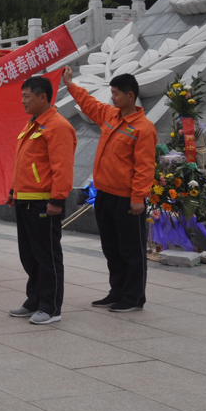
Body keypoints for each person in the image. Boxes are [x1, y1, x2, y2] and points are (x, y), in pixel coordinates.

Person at [63, 69, 155, 311]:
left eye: (115, 93)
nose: (112, 97)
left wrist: (138, 197)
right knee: (111, 248)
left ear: (130, 95)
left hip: (127, 200)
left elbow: (145, 167)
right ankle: (117, 291)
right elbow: (88, 103)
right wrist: (70, 84)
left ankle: (133, 297)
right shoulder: (110, 115)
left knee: (131, 250)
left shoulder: (143, 128)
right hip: (104, 195)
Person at [8, 75, 77, 325]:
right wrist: (13, 190)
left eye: (27, 96)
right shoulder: (33, 125)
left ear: (43, 97)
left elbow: (62, 167)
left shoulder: (57, 126)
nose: (23, 101)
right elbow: (24, 162)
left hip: (43, 202)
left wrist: (57, 200)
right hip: (24, 199)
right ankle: (34, 299)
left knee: (47, 256)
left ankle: (51, 306)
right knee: (29, 255)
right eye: (22, 96)